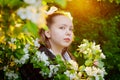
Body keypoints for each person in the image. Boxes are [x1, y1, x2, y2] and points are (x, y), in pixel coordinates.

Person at [20, 11, 76, 80]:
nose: (68, 33)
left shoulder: (69, 58)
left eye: (71, 29)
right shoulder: (36, 61)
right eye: (62, 27)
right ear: (48, 33)